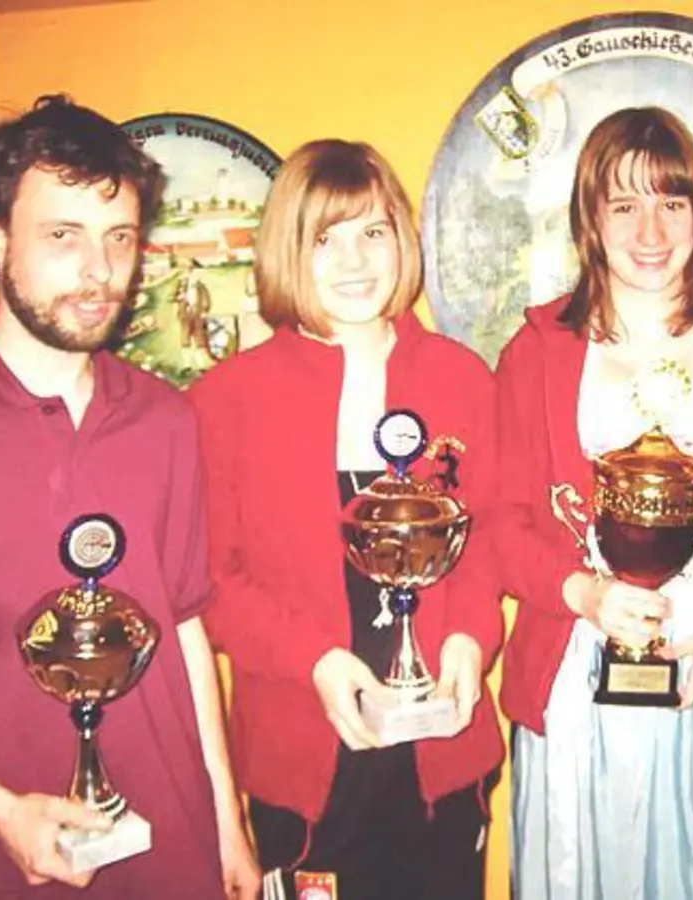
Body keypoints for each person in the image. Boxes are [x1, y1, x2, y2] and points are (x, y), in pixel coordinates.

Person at [0, 94, 259, 898]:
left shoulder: (167, 417)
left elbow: (186, 630)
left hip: (170, 853)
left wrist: (225, 821)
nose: (99, 272)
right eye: (63, 237)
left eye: (119, 239)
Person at [494, 106, 693, 899]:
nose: (650, 230)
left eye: (671, 203)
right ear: (590, 219)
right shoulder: (536, 351)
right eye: (624, 205)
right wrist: (588, 592)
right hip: (583, 655)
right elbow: (502, 524)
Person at [187, 139, 503, 900]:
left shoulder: (461, 378)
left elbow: (486, 538)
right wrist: (315, 662)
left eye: (373, 231)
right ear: (288, 251)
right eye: (323, 239)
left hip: (440, 748)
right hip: (303, 755)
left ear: (402, 236)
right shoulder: (227, 399)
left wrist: (469, 636)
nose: (354, 260)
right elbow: (213, 582)